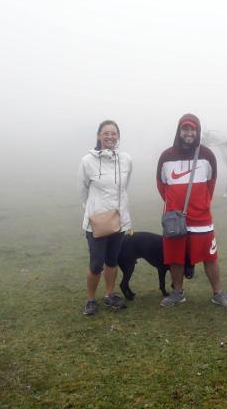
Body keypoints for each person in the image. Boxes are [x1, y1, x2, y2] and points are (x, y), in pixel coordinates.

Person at [156, 113, 227, 309]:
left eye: (192, 129)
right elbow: (161, 186)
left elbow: (211, 186)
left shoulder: (207, 155)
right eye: (185, 129)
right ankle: (177, 293)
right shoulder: (166, 156)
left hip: (201, 218)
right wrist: (175, 205)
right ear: (179, 131)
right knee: (175, 258)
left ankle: (218, 293)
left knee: (210, 256)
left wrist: (198, 205)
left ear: (197, 131)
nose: (189, 133)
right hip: (174, 218)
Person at [78, 120, 133, 315]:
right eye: (106, 133)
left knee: (112, 261)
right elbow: (83, 191)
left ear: (118, 136)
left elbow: (124, 188)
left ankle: (109, 295)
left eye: (114, 133)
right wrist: (93, 212)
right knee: (96, 264)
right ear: (98, 136)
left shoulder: (126, 159)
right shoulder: (87, 161)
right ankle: (91, 299)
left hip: (118, 221)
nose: (110, 136)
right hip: (97, 223)